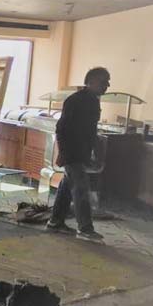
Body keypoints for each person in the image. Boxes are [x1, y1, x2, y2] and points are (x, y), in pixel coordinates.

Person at [46, 67, 110, 241]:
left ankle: (55, 222)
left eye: (108, 82)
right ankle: (85, 228)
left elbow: (89, 130)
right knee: (81, 189)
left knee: (67, 186)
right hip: (72, 152)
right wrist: (65, 153)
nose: (107, 85)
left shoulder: (93, 101)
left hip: (80, 152)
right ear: (91, 82)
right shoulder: (76, 100)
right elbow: (61, 128)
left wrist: (92, 151)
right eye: (103, 81)